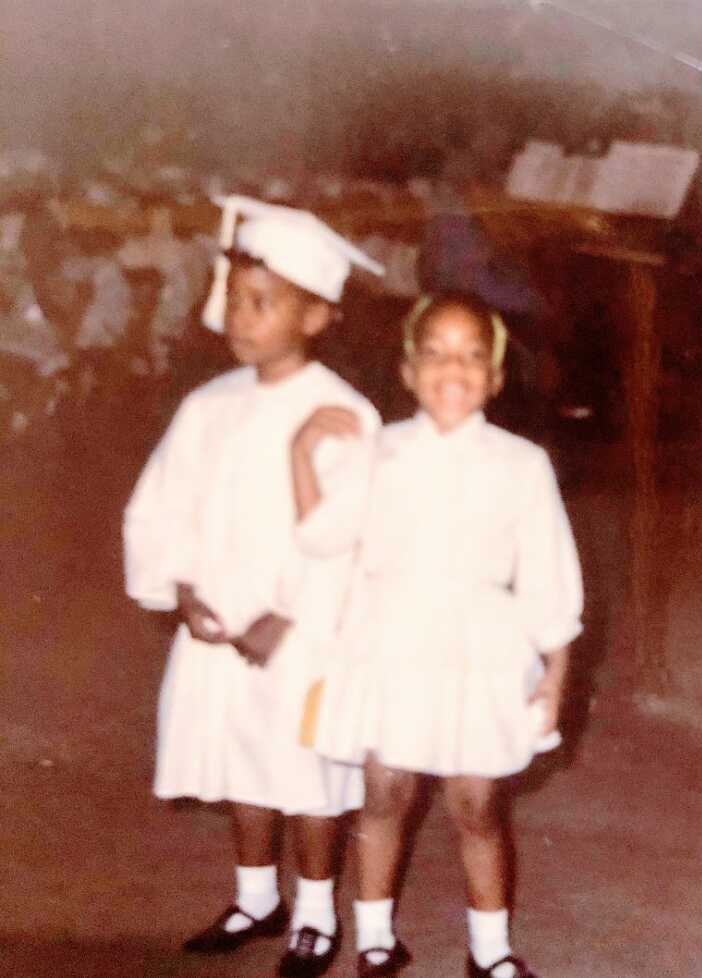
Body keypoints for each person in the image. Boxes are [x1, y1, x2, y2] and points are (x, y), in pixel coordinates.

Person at [123, 195, 383, 978]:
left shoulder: (344, 412)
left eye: (264, 304)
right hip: (215, 624)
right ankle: (254, 897)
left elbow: (353, 535)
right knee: (240, 762)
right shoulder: (209, 405)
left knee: (303, 775)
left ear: (316, 316)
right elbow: (158, 504)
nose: (242, 318)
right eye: (236, 300)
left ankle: (313, 914)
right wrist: (178, 592)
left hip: (301, 632)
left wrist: (284, 616)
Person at [315, 292, 584, 978]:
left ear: (495, 378)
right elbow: (328, 543)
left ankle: (490, 949)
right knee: (386, 790)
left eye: (471, 356)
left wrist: (555, 672)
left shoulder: (522, 463)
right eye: (434, 353)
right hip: (392, 644)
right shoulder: (375, 452)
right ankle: (374, 933)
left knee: (478, 802)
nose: (452, 369)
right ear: (408, 372)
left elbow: (549, 573)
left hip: (482, 649)